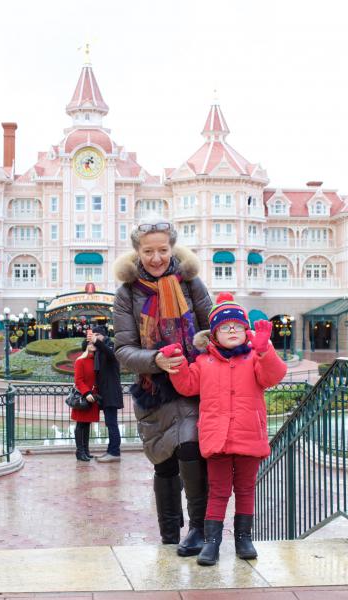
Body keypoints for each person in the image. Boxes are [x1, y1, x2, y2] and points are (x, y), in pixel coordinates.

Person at [162, 292, 287, 566]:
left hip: (248, 436)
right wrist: (178, 363)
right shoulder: (204, 362)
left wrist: (265, 351)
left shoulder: (254, 358)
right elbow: (187, 385)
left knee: (245, 489)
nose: (232, 331)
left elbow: (274, 376)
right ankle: (212, 542)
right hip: (217, 438)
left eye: (238, 326)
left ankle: (244, 538)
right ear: (214, 334)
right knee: (218, 491)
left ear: (246, 331)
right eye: (225, 327)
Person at [113, 216, 212, 557]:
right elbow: (123, 350)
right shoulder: (127, 293)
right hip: (153, 390)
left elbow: (213, 326)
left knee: (190, 446)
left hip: (192, 382)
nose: (156, 258)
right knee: (164, 462)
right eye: (148, 251)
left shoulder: (191, 284)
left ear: (172, 249)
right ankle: (170, 535)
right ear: (138, 253)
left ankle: (199, 529)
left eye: (162, 250)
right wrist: (156, 359)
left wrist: (204, 344)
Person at [87, 326, 123, 462]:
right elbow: (84, 347)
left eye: (97, 334)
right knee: (110, 423)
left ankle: (114, 452)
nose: (94, 337)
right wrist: (90, 342)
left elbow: (110, 354)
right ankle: (110, 450)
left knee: (112, 423)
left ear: (103, 335)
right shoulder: (99, 349)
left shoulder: (110, 347)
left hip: (111, 392)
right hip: (105, 392)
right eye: (93, 335)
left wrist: (97, 342)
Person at [72, 339, 100, 462]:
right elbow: (78, 380)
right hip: (84, 397)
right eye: (90, 343)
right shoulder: (80, 361)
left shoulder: (96, 360)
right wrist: (86, 392)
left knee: (87, 423)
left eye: (94, 343)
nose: (93, 345)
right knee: (80, 424)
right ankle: (80, 451)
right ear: (86, 346)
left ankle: (86, 450)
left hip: (92, 397)